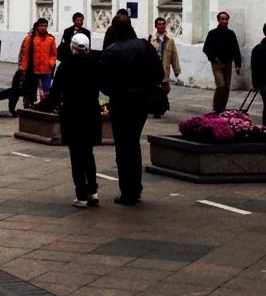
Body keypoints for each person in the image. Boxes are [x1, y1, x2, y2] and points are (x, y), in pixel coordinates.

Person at [100, 17, 164, 205]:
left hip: (121, 103)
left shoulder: (111, 52)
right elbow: (159, 73)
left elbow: (103, 82)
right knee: (133, 142)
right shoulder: (145, 47)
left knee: (123, 146)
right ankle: (135, 188)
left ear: (115, 30)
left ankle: (128, 191)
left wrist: (116, 91)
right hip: (141, 102)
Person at [39, 33, 102, 208]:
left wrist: (41, 106)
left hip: (73, 112)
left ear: (72, 47)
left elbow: (55, 93)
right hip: (91, 111)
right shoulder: (95, 63)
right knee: (88, 153)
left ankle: (81, 195)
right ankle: (93, 191)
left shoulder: (66, 66)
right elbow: (103, 84)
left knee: (76, 154)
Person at [202, 11, 242, 112]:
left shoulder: (231, 34)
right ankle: (216, 107)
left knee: (227, 87)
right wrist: (213, 57)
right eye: (222, 19)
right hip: (217, 63)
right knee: (221, 85)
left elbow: (236, 49)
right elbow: (206, 48)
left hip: (228, 63)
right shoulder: (212, 33)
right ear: (218, 20)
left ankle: (222, 107)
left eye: (226, 19)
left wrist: (238, 64)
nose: (224, 21)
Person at [18, 18, 57, 106]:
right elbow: (25, 54)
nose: (43, 28)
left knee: (46, 89)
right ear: (37, 26)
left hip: (46, 70)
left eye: (45, 26)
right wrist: (23, 68)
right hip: (33, 70)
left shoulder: (50, 39)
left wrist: (50, 63)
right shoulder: (30, 38)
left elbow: (54, 54)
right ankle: (32, 106)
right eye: (41, 26)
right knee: (32, 90)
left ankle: (45, 106)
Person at [147, 17, 181, 112]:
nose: (162, 26)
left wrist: (176, 70)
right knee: (155, 88)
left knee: (166, 88)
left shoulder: (170, 40)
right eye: (159, 24)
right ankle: (157, 107)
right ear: (156, 26)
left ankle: (160, 101)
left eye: (163, 24)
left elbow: (174, 56)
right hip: (154, 68)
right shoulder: (151, 38)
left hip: (164, 68)